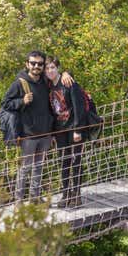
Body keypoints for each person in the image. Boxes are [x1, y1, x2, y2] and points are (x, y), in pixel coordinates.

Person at [1, 51, 73, 203]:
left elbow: (57, 75)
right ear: (27, 64)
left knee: (39, 167)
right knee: (25, 168)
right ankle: (19, 201)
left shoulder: (45, 81)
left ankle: (35, 198)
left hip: (45, 133)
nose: (36, 66)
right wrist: (21, 101)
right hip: (28, 135)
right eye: (33, 63)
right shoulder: (19, 83)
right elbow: (5, 104)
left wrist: (66, 72)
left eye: (40, 64)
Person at [45, 56, 87, 208]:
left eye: (52, 67)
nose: (50, 71)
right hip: (59, 130)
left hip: (73, 128)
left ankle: (77, 194)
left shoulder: (69, 84)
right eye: (47, 68)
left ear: (58, 68)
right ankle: (65, 193)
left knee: (76, 160)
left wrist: (78, 129)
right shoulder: (48, 86)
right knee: (63, 161)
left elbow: (79, 107)